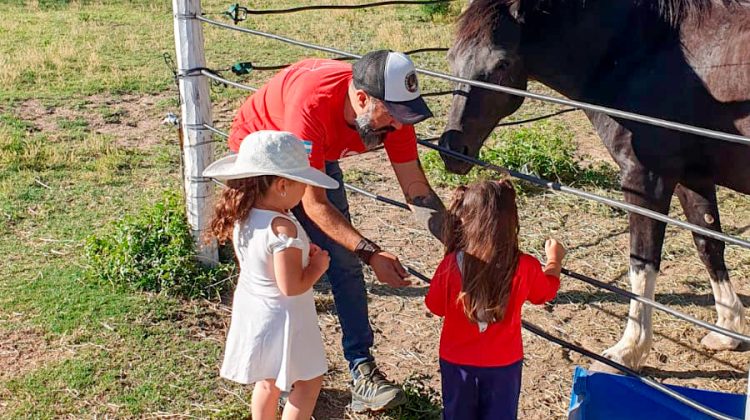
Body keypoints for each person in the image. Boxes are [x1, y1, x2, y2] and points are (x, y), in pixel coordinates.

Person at [227, 49, 446, 411]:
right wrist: (370, 252)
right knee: (275, 265)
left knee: (339, 259)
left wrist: (461, 245)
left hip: (313, 149)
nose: (398, 127)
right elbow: (314, 204)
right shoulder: (312, 103)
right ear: (361, 98)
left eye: (405, 117)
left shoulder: (393, 118)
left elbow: (416, 190)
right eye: (391, 115)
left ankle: (361, 370)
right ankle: (274, 371)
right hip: (265, 151)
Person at [204, 131, 340, 420]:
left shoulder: (247, 215)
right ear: (282, 185)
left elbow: (264, 259)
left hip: (257, 311)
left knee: (267, 380)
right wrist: (317, 267)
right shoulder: (283, 228)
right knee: (307, 381)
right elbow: (291, 286)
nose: (305, 189)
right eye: (302, 183)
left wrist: (301, 254)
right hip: (286, 317)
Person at [425, 180, 566, 420]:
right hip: (504, 363)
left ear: (466, 221)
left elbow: (435, 306)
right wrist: (554, 261)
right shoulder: (525, 265)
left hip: (456, 361)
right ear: (512, 221)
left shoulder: (450, 265)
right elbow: (545, 292)